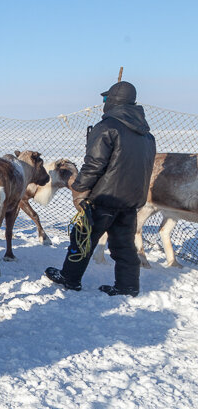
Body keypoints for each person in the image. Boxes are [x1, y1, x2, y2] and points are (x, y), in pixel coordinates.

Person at [45, 80, 156, 296]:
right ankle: (128, 285)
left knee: (82, 237)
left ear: (114, 101)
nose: (104, 103)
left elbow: (94, 164)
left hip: (103, 198)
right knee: (124, 246)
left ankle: (70, 277)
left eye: (106, 99)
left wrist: (79, 187)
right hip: (130, 200)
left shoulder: (107, 128)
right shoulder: (146, 135)